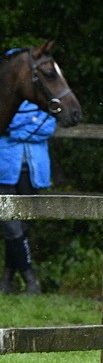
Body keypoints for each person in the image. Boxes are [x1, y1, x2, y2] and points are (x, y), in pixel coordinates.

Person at [0, 100, 55, 294]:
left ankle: (6, 280)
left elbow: (48, 125)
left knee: (21, 227)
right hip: (4, 169)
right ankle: (30, 279)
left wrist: (13, 132)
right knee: (12, 226)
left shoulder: (40, 97)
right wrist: (30, 123)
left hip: (32, 170)